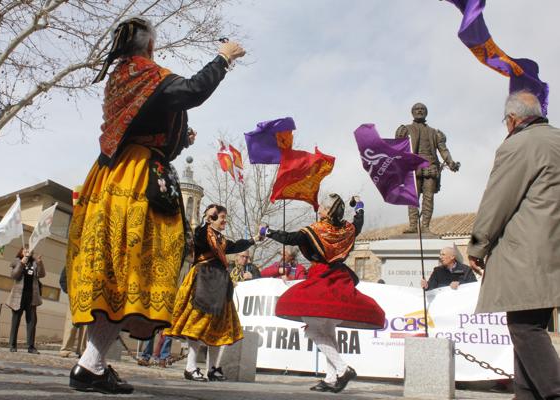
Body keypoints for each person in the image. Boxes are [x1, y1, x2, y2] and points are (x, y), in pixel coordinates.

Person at [65, 16, 245, 394]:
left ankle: (91, 365)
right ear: (149, 46)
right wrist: (223, 58)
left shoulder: (120, 76)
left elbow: (144, 124)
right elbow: (192, 90)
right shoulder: (145, 72)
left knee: (119, 273)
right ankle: (91, 364)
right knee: (134, 270)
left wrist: (178, 137)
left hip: (111, 175)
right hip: (138, 180)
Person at [467, 91, 560, 400]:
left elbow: (498, 200)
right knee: (530, 325)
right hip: (553, 250)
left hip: (528, 251)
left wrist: (478, 245)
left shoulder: (518, 145)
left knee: (524, 328)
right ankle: (526, 395)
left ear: (512, 120)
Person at [266, 194, 385, 393]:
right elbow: (359, 223)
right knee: (328, 330)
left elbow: (289, 238)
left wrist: (267, 231)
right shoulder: (346, 229)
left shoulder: (315, 230)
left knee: (312, 329)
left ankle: (343, 369)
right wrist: (360, 205)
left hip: (322, 280)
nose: (319, 208)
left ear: (328, 211)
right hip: (340, 279)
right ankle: (331, 379)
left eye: (322, 206)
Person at [165, 204, 260, 382]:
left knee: (218, 326)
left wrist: (255, 238)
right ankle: (190, 367)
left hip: (219, 282)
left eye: (225, 217)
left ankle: (213, 368)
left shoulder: (221, 239)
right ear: (211, 218)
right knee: (198, 323)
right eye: (222, 217)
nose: (225, 220)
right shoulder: (203, 233)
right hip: (204, 279)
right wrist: (205, 220)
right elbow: (199, 237)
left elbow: (235, 246)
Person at [396, 103, 459, 233]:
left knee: (429, 198)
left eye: (422, 109)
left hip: (430, 166)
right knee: (412, 197)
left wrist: (451, 162)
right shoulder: (405, 130)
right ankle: (413, 226)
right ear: (412, 112)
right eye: (417, 109)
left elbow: (443, 150)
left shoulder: (435, 133)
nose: (420, 111)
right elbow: (398, 149)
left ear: (426, 112)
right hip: (413, 167)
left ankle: (425, 227)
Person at [6, 247, 45, 354]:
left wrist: (40, 263)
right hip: (18, 296)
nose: (29, 252)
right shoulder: (17, 261)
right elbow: (14, 275)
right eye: (26, 250)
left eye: (30, 251)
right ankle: (12, 345)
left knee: (32, 322)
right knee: (16, 321)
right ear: (22, 251)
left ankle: (31, 347)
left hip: (31, 296)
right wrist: (22, 264)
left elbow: (41, 275)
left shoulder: (35, 262)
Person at [58, 267, 86, 358]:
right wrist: (69, 291)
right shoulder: (72, 260)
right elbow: (63, 279)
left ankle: (83, 351)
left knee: (86, 326)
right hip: (74, 296)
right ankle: (66, 349)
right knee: (71, 324)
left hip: (89, 297)